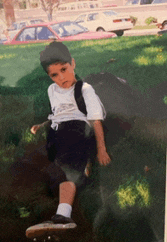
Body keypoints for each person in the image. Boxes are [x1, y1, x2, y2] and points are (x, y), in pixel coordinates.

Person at [30, 41, 111, 227]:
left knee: (68, 171)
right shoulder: (52, 90)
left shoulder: (84, 90)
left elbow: (95, 120)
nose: (61, 78)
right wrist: (42, 124)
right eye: (54, 75)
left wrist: (102, 149)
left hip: (77, 132)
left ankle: (63, 214)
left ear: (72, 63)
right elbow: (58, 113)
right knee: (51, 169)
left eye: (64, 70)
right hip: (56, 133)